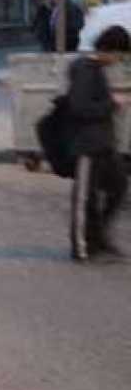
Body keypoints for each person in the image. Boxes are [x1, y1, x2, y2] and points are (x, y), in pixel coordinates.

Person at [67, 25, 130, 261]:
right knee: (84, 198)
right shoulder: (84, 70)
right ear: (108, 49)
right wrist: (112, 104)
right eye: (119, 55)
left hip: (104, 143)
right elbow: (80, 108)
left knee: (119, 187)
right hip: (87, 145)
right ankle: (82, 247)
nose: (119, 60)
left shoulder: (98, 69)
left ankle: (99, 236)